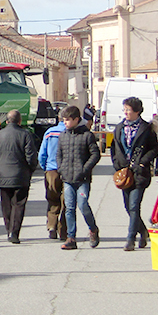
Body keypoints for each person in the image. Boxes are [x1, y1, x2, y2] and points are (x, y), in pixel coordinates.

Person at [111, 96, 158, 251]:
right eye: (124, 109)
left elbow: (155, 148)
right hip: (124, 173)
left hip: (140, 173)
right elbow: (115, 148)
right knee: (128, 206)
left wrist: (142, 162)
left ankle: (130, 238)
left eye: (128, 109)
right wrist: (116, 164)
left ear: (137, 111)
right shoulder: (119, 128)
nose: (126, 112)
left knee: (134, 205)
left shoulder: (146, 129)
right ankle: (143, 231)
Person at [0, 110, 38, 244]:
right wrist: (30, 169)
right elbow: (31, 157)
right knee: (19, 204)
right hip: (21, 175)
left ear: (7, 121)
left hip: (3, 175)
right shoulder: (25, 135)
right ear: (19, 121)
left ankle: (8, 229)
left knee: (6, 205)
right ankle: (14, 232)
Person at [55, 105, 101, 250]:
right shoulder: (63, 135)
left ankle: (93, 229)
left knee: (82, 204)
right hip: (67, 178)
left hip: (82, 179)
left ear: (76, 119)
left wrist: (85, 169)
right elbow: (59, 154)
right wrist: (61, 168)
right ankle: (71, 237)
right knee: (69, 208)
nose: (65, 123)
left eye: (68, 120)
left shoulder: (87, 135)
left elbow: (95, 154)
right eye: (63, 120)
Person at [37, 117, 67, 240]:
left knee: (52, 198)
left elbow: (42, 154)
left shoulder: (50, 132)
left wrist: (45, 167)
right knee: (66, 201)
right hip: (67, 170)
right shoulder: (70, 132)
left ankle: (52, 227)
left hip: (51, 169)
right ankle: (63, 229)